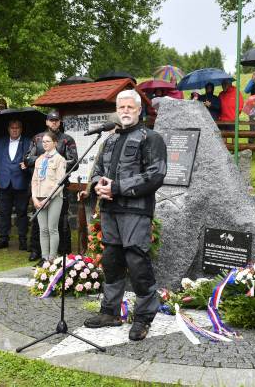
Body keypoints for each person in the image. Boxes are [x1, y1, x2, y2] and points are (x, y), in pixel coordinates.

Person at [83, 90, 167, 341]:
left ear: (139, 110)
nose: (126, 111)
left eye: (130, 107)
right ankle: (110, 311)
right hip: (110, 210)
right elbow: (98, 170)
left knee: (137, 263)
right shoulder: (109, 140)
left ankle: (143, 318)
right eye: (122, 107)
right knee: (111, 261)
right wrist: (98, 185)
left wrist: (117, 187)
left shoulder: (151, 138)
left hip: (136, 211)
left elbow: (155, 174)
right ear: (117, 110)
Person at [25, 110, 78, 260]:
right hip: (40, 187)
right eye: (51, 120)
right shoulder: (37, 138)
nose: (54, 122)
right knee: (39, 224)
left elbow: (73, 161)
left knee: (60, 222)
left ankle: (63, 251)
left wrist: (55, 162)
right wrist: (43, 159)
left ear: (60, 122)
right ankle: (37, 252)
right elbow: (28, 158)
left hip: (58, 187)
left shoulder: (67, 139)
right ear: (46, 122)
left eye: (56, 120)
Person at [0, 119, 32, 250]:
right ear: (8, 129)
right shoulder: (1, 142)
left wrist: (27, 164)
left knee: (22, 213)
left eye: (17, 127)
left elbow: (32, 160)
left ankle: (22, 240)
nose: (15, 130)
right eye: (12, 127)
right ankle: (3, 238)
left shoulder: (28, 142)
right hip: (3, 182)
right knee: (4, 213)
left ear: (21, 129)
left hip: (21, 182)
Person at [30, 131, 67, 261]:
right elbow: (34, 180)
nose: (44, 144)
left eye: (47, 141)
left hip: (53, 198)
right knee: (43, 229)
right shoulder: (39, 159)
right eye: (43, 142)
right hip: (39, 198)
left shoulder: (59, 160)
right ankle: (44, 258)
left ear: (55, 143)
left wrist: (48, 199)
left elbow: (60, 183)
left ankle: (52, 258)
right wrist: (34, 197)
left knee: (52, 229)